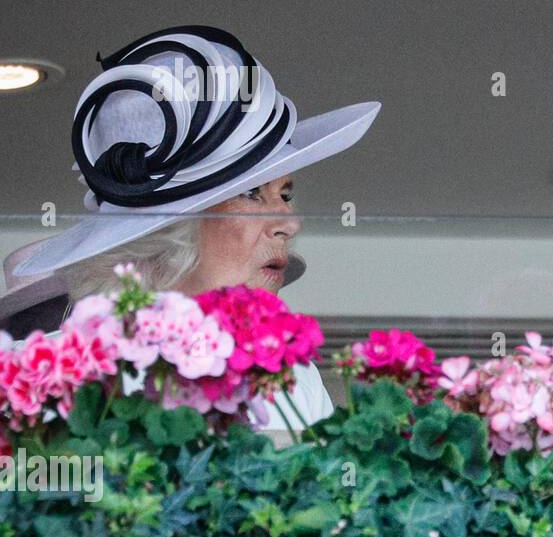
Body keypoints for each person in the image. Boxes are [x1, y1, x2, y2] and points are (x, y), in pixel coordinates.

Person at [1, 25, 381, 432]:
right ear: (169, 231)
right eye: (252, 193)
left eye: (285, 194)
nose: (290, 222)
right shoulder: (42, 380)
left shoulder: (289, 380)